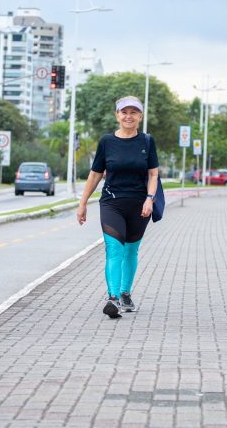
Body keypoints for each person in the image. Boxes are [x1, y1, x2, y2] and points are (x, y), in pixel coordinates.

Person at [77, 95, 159, 319]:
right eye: (124, 112)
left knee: (131, 250)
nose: (128, 116)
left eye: (133, 112)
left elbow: (153, 173)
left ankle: (125, 294)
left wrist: (149, 198)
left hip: (139, 205)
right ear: (117, 116)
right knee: (114, 249)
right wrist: (83, 203)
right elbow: (95, 174)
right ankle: (112, 298)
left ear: (140, 116)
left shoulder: (147, 142)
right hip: (112, 203)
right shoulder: (107, 142)